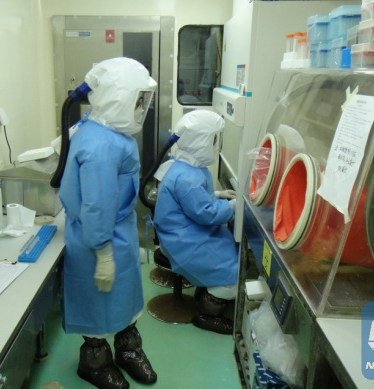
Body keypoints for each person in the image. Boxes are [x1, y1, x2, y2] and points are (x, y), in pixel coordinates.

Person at [59, 57, 157, 389]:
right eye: (138, 100)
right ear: (119, 98)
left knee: (124, 301)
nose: (141, 108)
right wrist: (103, 253)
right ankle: (95, 363)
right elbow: (97, 206)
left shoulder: (106, 130)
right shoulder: (100, 144)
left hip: (118, 233)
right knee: (99, 308)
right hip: (98, 238)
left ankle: (129, 350)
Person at [153, 110, 239, 335]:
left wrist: (217, 197)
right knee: (233, 272)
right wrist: (231, 207)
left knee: (226, 248)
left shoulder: (185, 167)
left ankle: (208, 292)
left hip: (185, 233)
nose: (215, 144)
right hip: (183, 242)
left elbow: (194, 203)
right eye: (213, 139)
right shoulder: (188, 177)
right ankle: (206, 315)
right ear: (201, 141)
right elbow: (205, 214)